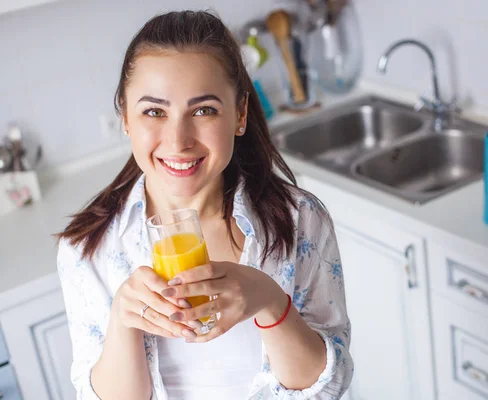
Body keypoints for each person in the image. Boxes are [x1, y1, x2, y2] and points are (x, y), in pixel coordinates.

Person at [56, 10, 353, 400]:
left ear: (240, 113)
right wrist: (123, 322)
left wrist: (267, 298)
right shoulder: (88, 249)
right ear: (125, 117)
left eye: (203, 110)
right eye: (154, 111)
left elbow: (330, 385)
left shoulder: (300, 221)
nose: (178, 141)